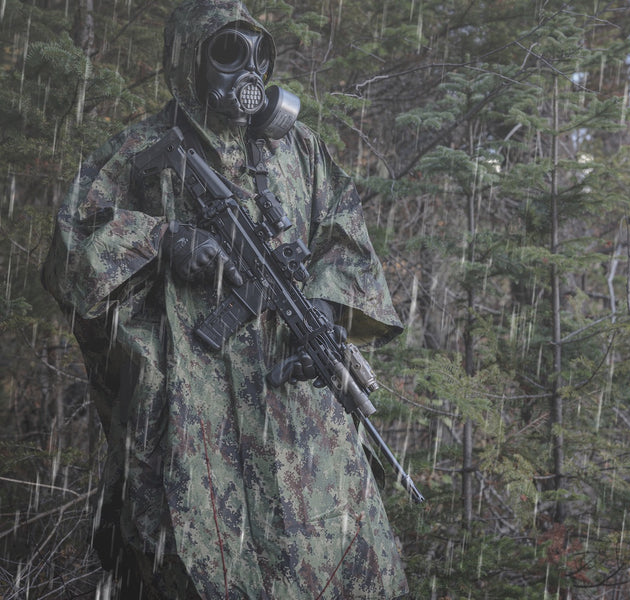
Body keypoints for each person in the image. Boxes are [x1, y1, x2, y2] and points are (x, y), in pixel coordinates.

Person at [41, 1, 410, 598]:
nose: (248, 73)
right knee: (189, 559)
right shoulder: (137, 154)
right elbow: (70, 253)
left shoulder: (298, 150)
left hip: (299, 422)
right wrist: (163, 240)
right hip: (188, 413)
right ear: (189, 58)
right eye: (227, 53)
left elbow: (347, 237)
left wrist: (324, 303)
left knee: (335, 556)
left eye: (258, 55)